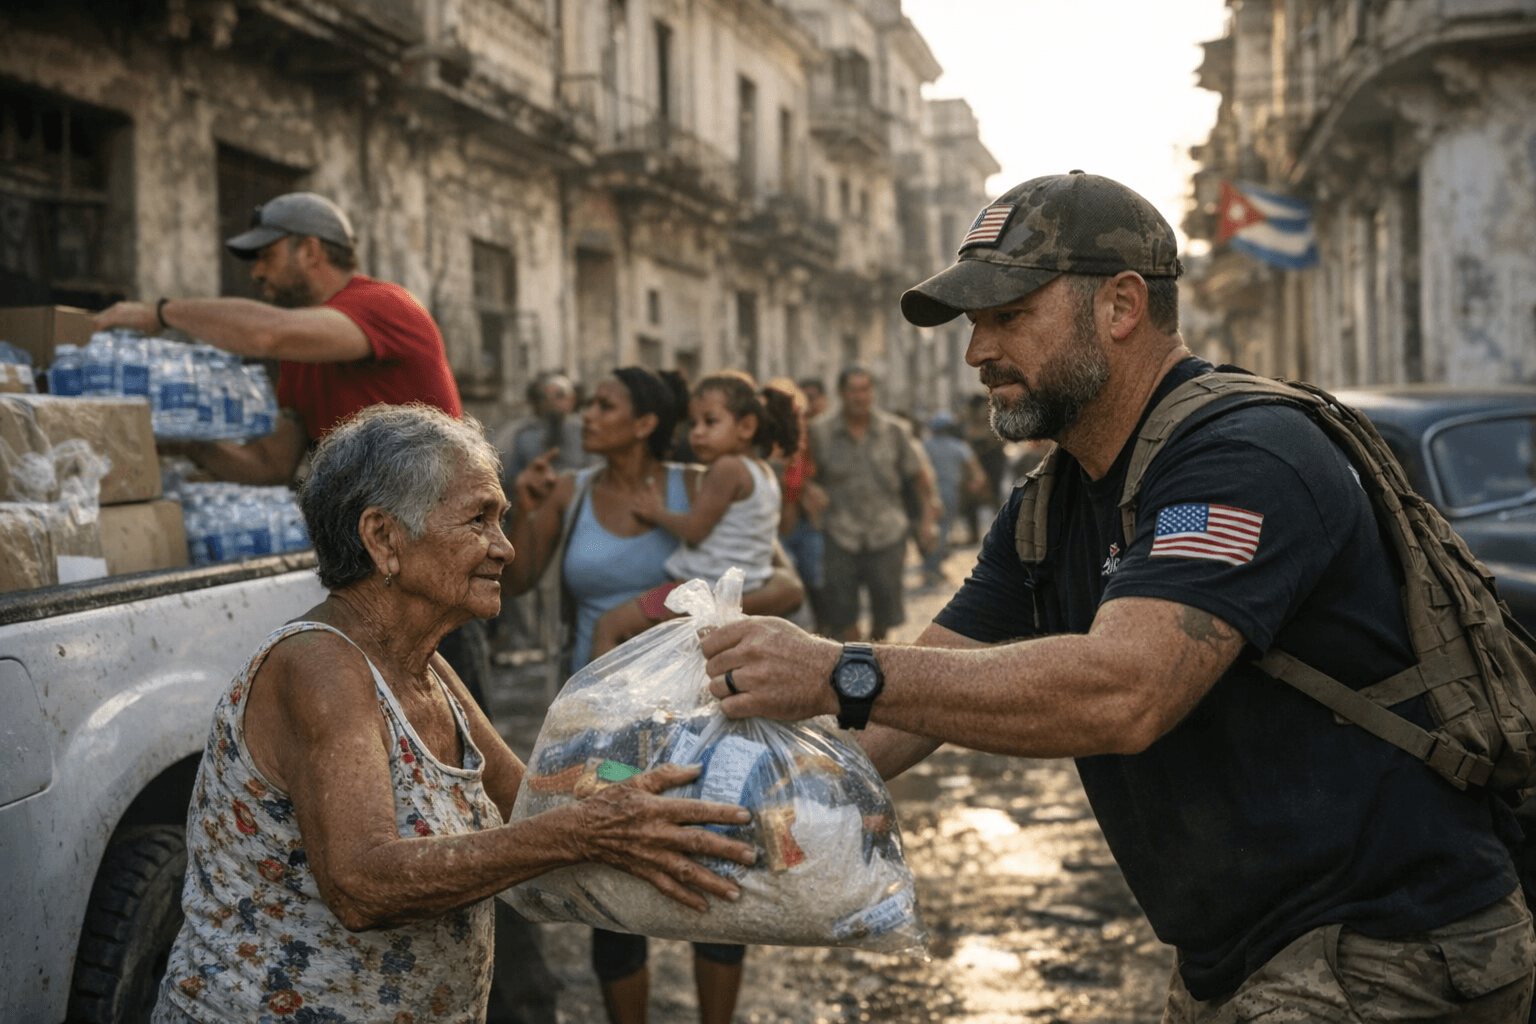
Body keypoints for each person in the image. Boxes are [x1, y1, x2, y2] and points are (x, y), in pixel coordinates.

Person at [695, 171, 1536, 1022]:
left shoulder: (1244, 456)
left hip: (1389, 949)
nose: (976, 351)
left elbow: (1127, 690)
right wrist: (703, 805)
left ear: (1121, 306)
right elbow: (908, 708)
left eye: (1007, 315)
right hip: (1240, 958)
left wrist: (840, 670)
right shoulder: (1050, 503)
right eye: (975, 323)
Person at [148, 403, 758, 1024]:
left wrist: (661, 786)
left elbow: (533, 792)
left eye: (501, 520)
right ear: (383, 537)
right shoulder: (319, 667)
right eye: (479, 520)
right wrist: (575, 833)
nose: (505, 547)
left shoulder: (426, 666)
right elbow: (361, 885)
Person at [503, 365, 803, 1024]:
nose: (586, 414)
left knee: (714, 864)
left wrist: (667, 618)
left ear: (643, 423)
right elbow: (515, 581)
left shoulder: (698, 486)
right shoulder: (571, 492)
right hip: (605, 729)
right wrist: (524, 506)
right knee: (611, 873)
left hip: (696, 718)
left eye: (603, 404)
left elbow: (783, 583)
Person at [94, 191, 460, 486]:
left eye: (267, 256)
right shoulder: (300, 356)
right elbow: (271, 466)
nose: (256, 272)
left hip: (436, 511)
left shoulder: (385, 304)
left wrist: (161, 313)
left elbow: (268, 333)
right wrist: (187, 443)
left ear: (311, 252)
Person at [591, 370, 799, 657]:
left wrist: (656, 512)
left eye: (710, 422)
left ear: (746, 427)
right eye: (693, 423)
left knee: (608, 626)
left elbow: (694, 530)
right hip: (747, 587)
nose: (697, 432)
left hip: (697, 592)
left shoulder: (727, 468)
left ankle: (597, 687)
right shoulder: (763, 472)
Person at [808, 366, 937, 641]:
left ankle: (877, 649)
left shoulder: (895, 431)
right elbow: (804, 473)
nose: (859, 397)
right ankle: (854, 656)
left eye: (865, 389)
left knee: (885, 610)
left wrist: (928, 522)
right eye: (852, 390)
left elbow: (921, 478)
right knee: (841, 612)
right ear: (841, 393)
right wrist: (809, 490)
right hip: (839, 532)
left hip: (887, 531)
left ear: (873, 392)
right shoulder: (820, 432)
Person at [919, 410, 985, 589]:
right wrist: (975, 484)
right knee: (942, 530)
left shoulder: (924, 445)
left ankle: (932, 564)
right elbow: (976, 471)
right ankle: (932, 568)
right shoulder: (959, 446)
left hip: (925, 494)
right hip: (950, 494)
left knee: (928, 528)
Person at [493, 371, 594, 486]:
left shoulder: (586, 432)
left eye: (559, 395)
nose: (552, 401)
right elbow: (512, 478)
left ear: (572, 398)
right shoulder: (523, 435)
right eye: (546, 397)